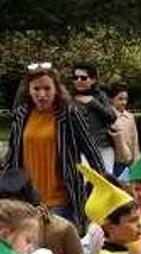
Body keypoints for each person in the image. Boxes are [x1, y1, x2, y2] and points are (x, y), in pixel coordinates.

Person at [3, 63, 104, 229]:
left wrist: (103, 185)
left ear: (56, 88)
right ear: (28, 90)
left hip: (61, 203)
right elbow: (12, 156)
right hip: (27, 204)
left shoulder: (70, 114)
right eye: (36, 89)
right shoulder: (21, 115)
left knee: (60, 253)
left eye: (47, 88)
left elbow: (91, 151)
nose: (42, 94)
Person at [71, 62, 117, 174]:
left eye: (83, 78)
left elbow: (112, 116)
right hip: (81, 149)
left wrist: (92, 102)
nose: (79, 81)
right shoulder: (69, 98)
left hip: (103, 146)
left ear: (93, 80)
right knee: (85, 182)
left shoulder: (100, 95)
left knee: (106, 180)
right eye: (75, 77)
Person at [107, 82, 139, 179]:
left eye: (125, 99)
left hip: (128, 162)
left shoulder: (130, 117)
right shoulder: (108, 116)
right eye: (120, 99)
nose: (124, 102)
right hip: (113, 162)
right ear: (112, 99)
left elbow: (135, 140)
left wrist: (136, 160)